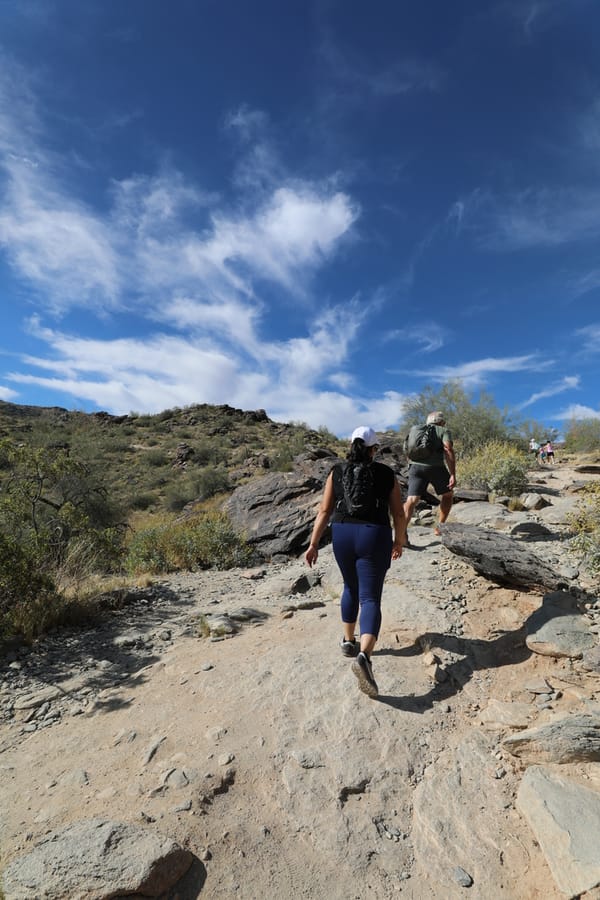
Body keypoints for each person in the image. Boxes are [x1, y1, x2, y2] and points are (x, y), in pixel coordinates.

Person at [305, 426, 406, 699]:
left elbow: (324, 510)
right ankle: (364, 656)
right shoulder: (386, 473)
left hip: (343, 533)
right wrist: (400, 540)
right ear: (374, 449)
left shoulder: (337, 471)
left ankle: (348, 642)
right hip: (374, 534)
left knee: (350, 587)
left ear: (351, 446)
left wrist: (313, 544)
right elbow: (398, 511)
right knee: (370, 598)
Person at [403, 411, 456, 538]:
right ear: (442, 422)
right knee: (448, 495)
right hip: (436, 468)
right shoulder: (443, 430)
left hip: (415, 467)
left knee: (412, 500)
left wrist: (411, 465)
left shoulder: (416, 430)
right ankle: (439, 527)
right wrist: (453, 473)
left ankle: (401, 532)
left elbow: (406, 449)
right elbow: (448, 449)